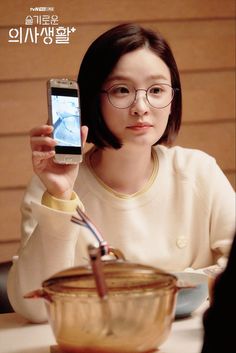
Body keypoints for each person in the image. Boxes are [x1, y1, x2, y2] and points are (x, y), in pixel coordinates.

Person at [7, 23, 235, 323]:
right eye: (121, 90)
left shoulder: (198, 171)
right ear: (92, 100)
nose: (141, 107)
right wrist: (61, 196)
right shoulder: (51, 187)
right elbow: (36, 308)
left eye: (156, 90)